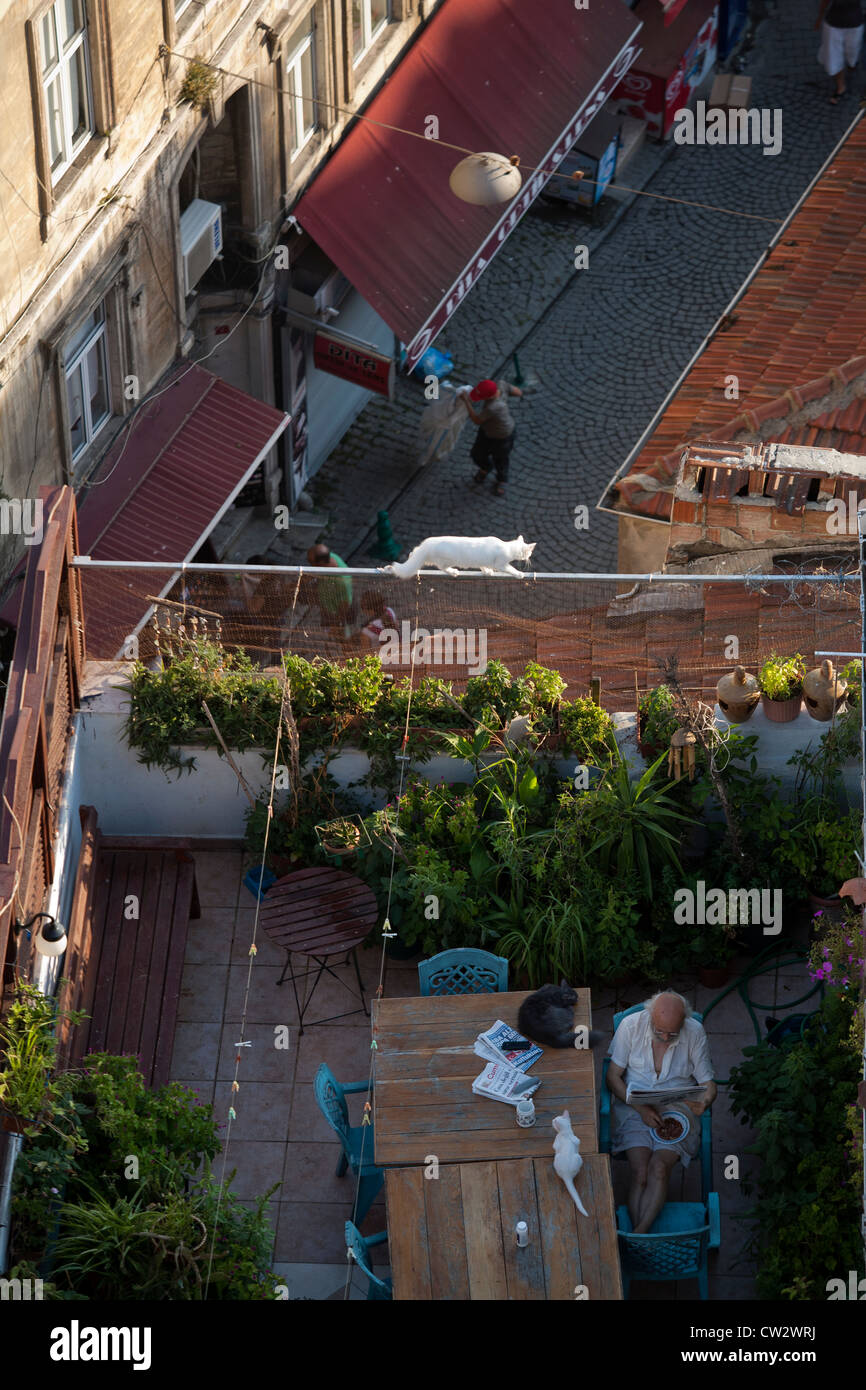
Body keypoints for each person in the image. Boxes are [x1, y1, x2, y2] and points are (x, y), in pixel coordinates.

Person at [606, 989, 717, 1234]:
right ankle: (641, 1233)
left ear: (683, 1023)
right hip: (634, 1106)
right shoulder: (630, 1026)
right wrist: (640, 1108)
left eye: (672, 1033)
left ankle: (640, 1233)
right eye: (659, 1031)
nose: (665, 1038)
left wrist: (706, 1100)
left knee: (659, 1168)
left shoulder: (694, 1032)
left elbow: (708, 1083)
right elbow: (612, 1077)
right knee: (641, 1172)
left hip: (677, 1108)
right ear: (650, 1017)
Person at [461, 378, 522, 497]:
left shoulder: (493, 407)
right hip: (487, 430)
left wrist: (466, 402)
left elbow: (477, 420)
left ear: (488, 397)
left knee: (500, 459)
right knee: (477, 454)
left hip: (503, 436)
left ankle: (502, 480)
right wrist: (514, 394)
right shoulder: (501, 384)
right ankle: (486, 468)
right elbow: (517, 391)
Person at [816, 0, 865, 102]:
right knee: (834, 56)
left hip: (855, 24)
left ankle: (852, 65)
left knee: (852, 53)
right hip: (833, 25)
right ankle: (840, 87)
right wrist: (819, 18)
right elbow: (825, 2)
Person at [307, 543, 354, 647]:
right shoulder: (329, 558)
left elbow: (345, 605)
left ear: (321, 563)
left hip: (335, 614)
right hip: (327, 606)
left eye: (311, 563)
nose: (309, 565)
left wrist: (336, 623)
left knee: (343, 639)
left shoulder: (341, 580)